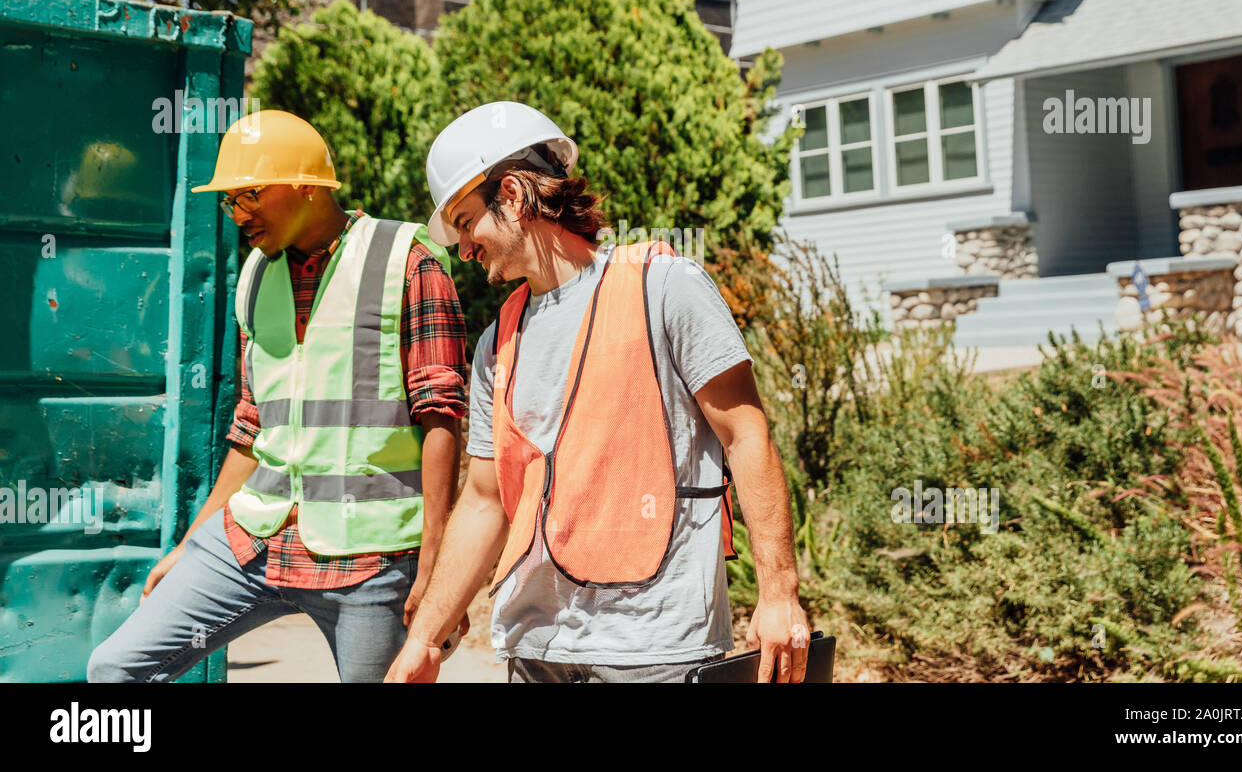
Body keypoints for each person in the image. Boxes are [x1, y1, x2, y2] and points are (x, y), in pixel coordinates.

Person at [386, 101, 810, 684]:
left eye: (465, 222)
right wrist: (425, 639)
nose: (463, 248)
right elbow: (485, 500)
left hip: (656, 651)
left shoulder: (664, 288)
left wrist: (779, 594)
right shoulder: (496, 343)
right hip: (537, 652)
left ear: (511, 195)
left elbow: (746, 433)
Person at [87, 109, 469, 683]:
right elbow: (251, 427)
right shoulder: (255, 276)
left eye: (249, 196)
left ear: (304, 186)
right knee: (116, 669)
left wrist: (436, 568)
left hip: (371, 560)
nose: (238, 215)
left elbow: (442, 419)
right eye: (229, 202)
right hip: (252, 541)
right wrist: (190, 546)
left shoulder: (407, 264)